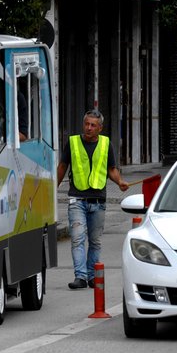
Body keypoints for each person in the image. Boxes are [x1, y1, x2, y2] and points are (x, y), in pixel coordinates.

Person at [56, 109, 129, 289]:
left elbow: (111, 169)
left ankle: (92, 277)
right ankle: (80, 276)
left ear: (100, 128)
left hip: (98, 201)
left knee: (95, 241)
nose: (88, 128)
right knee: (77, 238)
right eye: (86, 124)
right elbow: (62, 166)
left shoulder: (106, 144)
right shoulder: (73, 142)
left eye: (93, 125)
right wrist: (52, 190)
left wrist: (119, 182)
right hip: (77, 200)